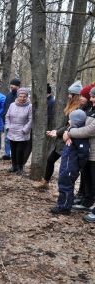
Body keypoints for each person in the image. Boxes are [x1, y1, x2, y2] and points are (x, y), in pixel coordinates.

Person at [35, 81, 82, 190]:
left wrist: (57, 132)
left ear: (77, 96)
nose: (69, 96)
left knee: (66, 167)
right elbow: (66, 125)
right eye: (69, 93)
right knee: (50, 160)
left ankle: (65, 189)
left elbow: (71, 126)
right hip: (62, 139)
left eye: (72, 94)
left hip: (70, 140)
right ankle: (45, 182)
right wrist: (56, 131)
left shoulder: (78, 109)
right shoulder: (70, 106)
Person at [50, 109, 90, 215]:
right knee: (62, 183)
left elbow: (84, 153)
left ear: (75, 121)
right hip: (66, 164)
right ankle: (62, 204)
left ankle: (65, 207)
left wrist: (78, 165)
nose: (69, 122)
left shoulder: (79, 136)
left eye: (70, 120)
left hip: (71, 166)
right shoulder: (71, 132)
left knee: (66, 186)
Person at [65, 86, 95, 215]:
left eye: (93, 97)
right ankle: (87, 201)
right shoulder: (91, 109)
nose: (91, 99)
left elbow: (90, 130)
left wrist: (71, 132)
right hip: (89, 150)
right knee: (88, 178)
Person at [5, 87, 32, 175]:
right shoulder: (12, 105)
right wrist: (8, 126)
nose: (22, 98)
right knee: (13, 150)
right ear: (17, 96)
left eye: (24, 96)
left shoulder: (30, 106)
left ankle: (20, 168)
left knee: (20, 151)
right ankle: (14, 166)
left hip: (22, 132)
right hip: (12, 130)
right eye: (20, 96)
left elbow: (31, 120)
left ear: (27, 97)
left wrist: (25, 130)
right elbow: (7, 116)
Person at [1, 78, 20, 160]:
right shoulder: (8, 95)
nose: (11, 87)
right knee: (7, 138)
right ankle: (7, 154)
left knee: (16, 139)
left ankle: (14, 154)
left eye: (13, 86)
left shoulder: (21, 96)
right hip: (7, 120)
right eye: (11, 86)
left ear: (18, 86)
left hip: (17, 122)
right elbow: (5, 107)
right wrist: (4, 117)